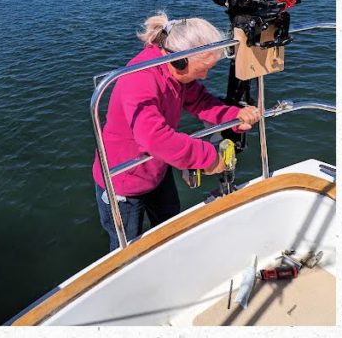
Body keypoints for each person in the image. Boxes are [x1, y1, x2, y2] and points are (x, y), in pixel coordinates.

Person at [93, 13, 262, 250]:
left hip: (155, 170)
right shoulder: (139, 79)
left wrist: (232, 116)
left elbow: (200, 102)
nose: (204, 76)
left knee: (170, 226)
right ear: (179, 60)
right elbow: (154, 137)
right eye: (202, 69)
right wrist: (208, 158)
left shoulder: (175, 72)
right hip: (123, 181)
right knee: (127, 250)